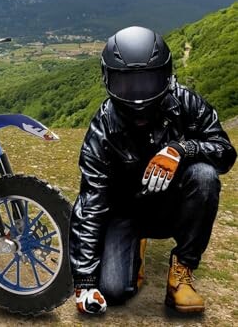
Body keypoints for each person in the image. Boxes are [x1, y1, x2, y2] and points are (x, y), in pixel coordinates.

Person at [70, 26, 236, 315]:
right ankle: (135, 247)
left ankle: (182, 270)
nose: (137, 95)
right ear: (108, 78)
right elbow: (91, 202)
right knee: (113, 291)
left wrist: (182, 150)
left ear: (167, 75)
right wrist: (84, 281)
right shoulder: (102, 127)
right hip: (125, 211)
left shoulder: (187, 103)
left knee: (205, 176)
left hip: (172, 207)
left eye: (148, 81)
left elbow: (224, 152)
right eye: (127, 83)